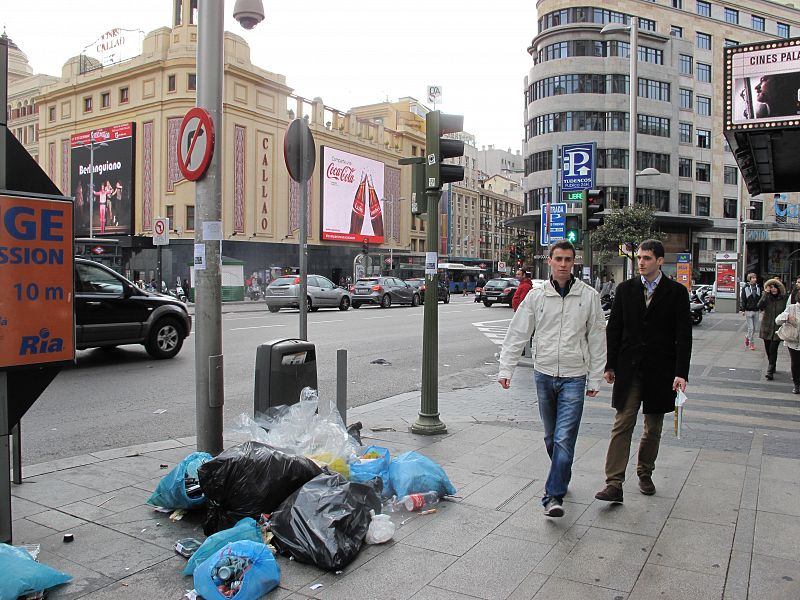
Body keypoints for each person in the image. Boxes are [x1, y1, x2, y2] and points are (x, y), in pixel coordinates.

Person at [498, 240, 606, 518]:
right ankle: (562, 472)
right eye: (558, 259)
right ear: (550, 261)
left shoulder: (588, 296)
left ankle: (553, 496)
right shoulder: (537, 296)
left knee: (563, 437)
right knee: (550, 437)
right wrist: (506, 368)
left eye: (568, 259)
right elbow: (518, 332)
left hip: (574, 376)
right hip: (544, 374)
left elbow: (596, 338)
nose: (563, 264)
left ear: (574, 263)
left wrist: (595, 378)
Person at [595, 239, 692, 503]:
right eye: (639, 257)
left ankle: (645, 472)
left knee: (653, 427)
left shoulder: (676, 293)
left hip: (661, 371)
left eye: (647, 258)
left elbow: (683, 337)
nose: (641, 262)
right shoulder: (626, 290)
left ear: (660, 261)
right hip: (630, 369)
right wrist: (610, 364)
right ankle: (614, 482)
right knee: (622, 423)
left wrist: (681, 373)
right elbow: (614, 328)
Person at [758, 278, 786, 380]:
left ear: (779, 288)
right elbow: (759, 305)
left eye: (775, 287)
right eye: (771, 287)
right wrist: (765, 294)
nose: (773, 289)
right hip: (766, 327)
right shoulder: (767, 297)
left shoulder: (783, 298)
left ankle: (769, 371)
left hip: (778, 329)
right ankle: (772, 365)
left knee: (773, 349)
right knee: (768, 349)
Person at [775, 296, 800, 394]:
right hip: (793, 341)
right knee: (795, 362)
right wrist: (787, 316)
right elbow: (777, 321)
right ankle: (797, 384)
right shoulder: (791, 308)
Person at [740, 273, 761, 351]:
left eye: (755, 277)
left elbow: (760, 299)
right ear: (749, 279)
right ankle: (751, 343)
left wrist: (761, 308)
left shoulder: (758, 287)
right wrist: (743, 309)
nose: (754, 279)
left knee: (754, 328)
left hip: (756, 310)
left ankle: (747, 337)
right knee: (751, 328)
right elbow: (743, 299)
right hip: (748, 310)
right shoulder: (745, 288)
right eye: (753, 278)